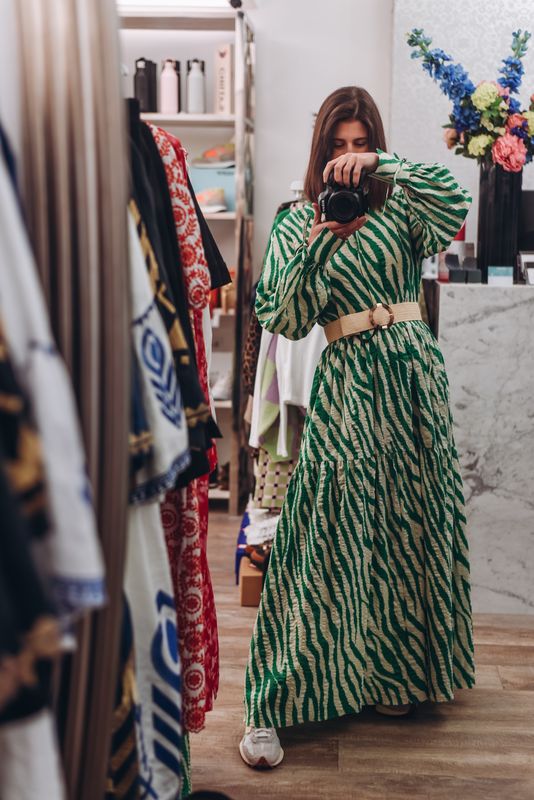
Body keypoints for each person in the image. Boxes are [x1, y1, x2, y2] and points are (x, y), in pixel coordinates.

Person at [239, 85, 476, 769]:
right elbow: (281, 315)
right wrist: (318, 241)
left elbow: (452, 200)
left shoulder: (402, 203)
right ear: (319, 151)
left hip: (413, 375)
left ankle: (398, 674)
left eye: (358, 144)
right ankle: (279, 693)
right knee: (325, 528)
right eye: (337, 148)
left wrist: (384, 167)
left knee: (409, 520)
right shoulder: (294, 221)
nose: (347, 160)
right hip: (347, 380)